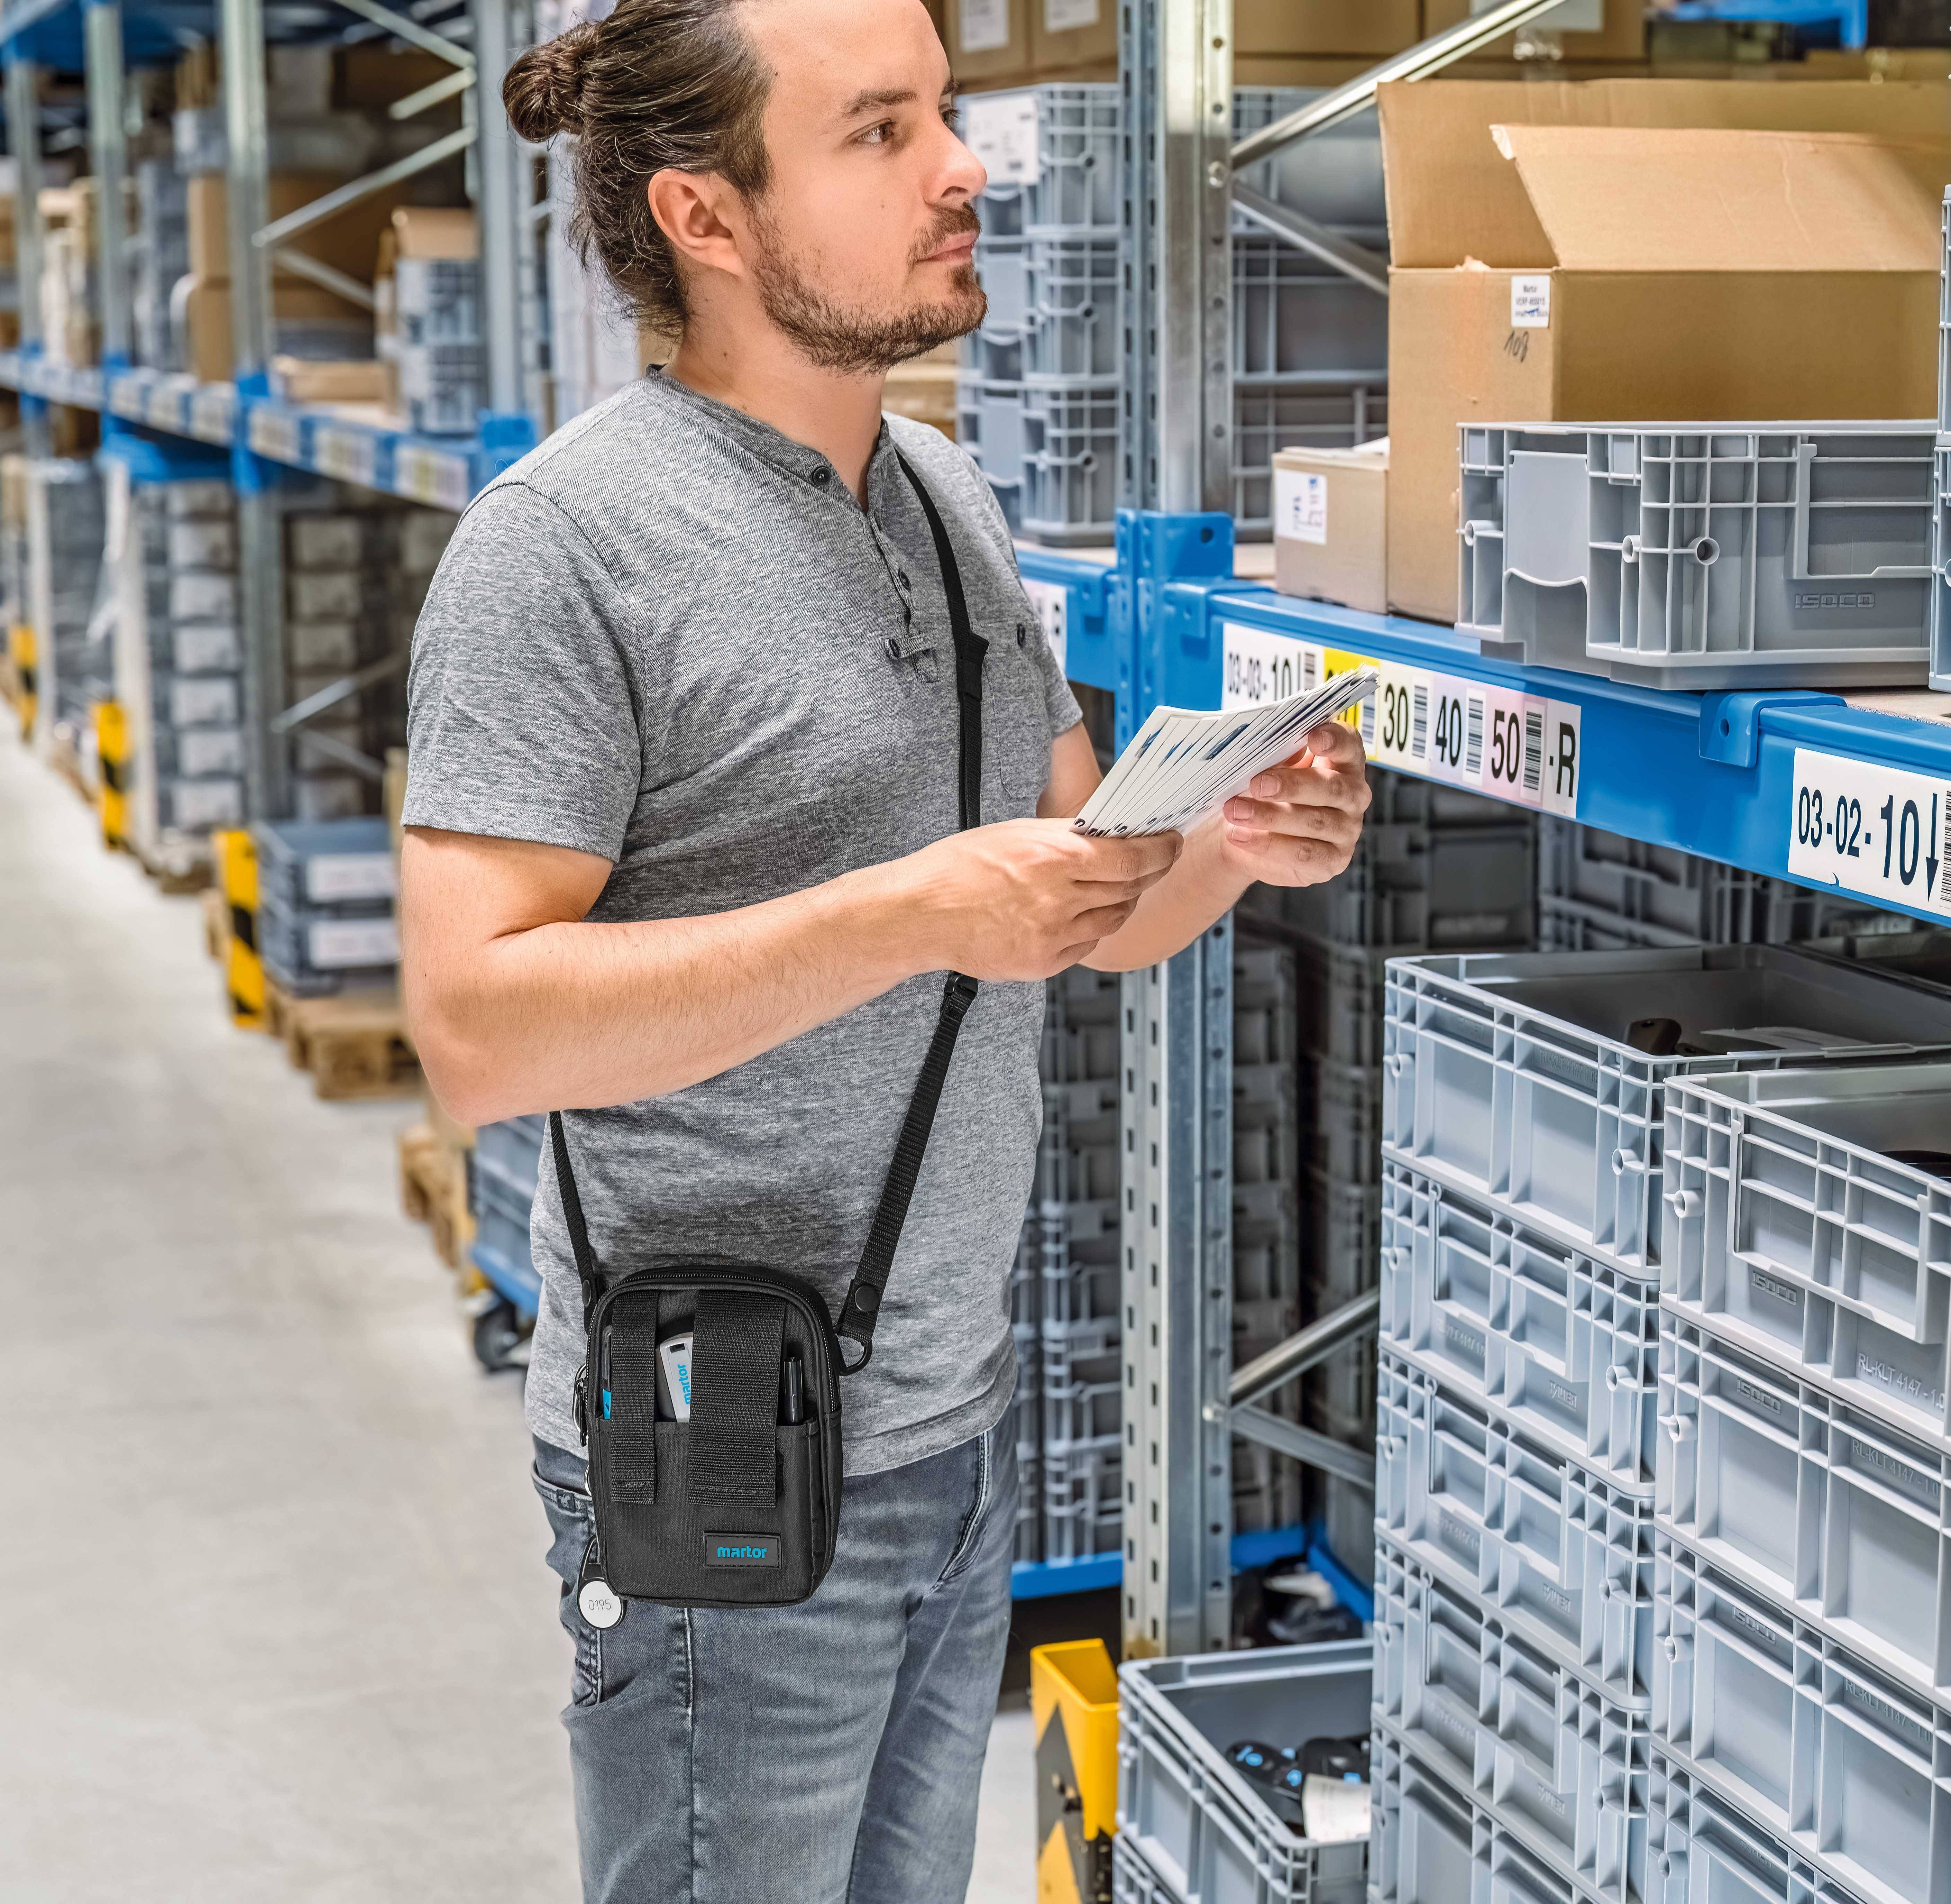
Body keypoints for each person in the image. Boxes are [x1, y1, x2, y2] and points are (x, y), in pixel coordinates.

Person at [395, 0, 1372, 1896]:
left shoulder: (948, 502)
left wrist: (1237, 846)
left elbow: (1088, 900)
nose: (964, 168)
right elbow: (477, 1030)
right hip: (724, 1443)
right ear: (706, 215)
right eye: (880, 132)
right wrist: (911, 911)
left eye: (945, 112)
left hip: (952, 1425)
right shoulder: (562, 551)